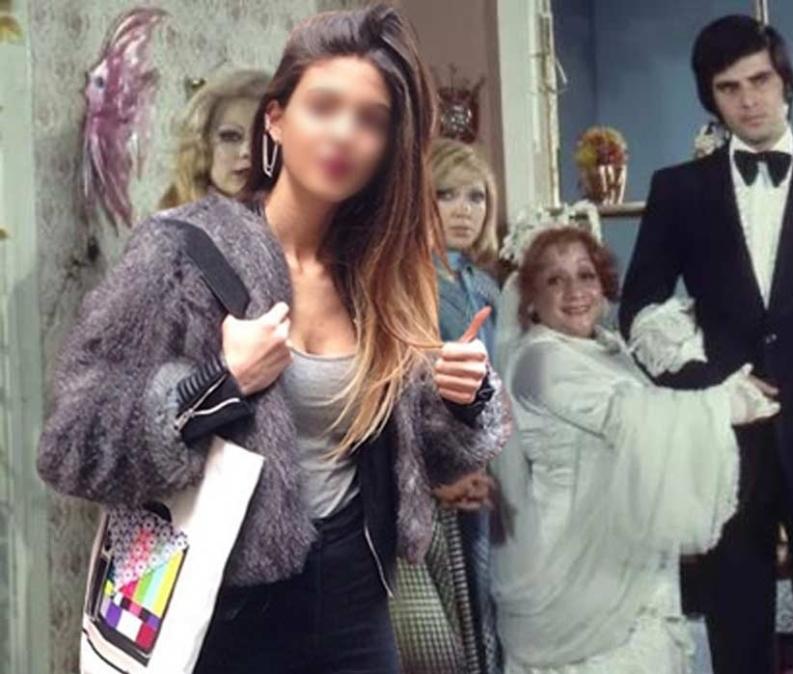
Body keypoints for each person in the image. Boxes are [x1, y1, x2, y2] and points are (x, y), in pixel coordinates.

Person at [37, 6, 505, 673]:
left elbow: (423, 459)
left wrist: (462, 401)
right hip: (219, 606)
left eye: (370, 119)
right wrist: (215, 385)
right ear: (278, 120)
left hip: (356, 600)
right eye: (324, 106)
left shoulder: (381, 274)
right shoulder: (181, 253)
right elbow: (71, 442)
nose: (343, 133)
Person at [618, 15, 793, 674]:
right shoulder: (678, 190)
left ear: (786, 82)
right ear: (711, 98)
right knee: (736, 638)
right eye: (729, 87)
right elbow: (638, 313)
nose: (748, 100)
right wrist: (712, 387)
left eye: (760, 80)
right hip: (721, 448)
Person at [492, 226, 779, 673]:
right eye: (554, 280)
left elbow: (656, 410)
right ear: (530, 299)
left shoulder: (610, 349)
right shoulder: (539, 360)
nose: (575, 291)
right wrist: (726, 402)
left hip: (630, 545)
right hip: (574, 558)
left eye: (586, 275)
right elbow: (625, 415)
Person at [391, 137, 503, 674]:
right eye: (447, 194)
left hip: (482, 472)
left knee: (482, 615)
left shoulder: (486, 287)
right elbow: (397, 393)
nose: (464, 210)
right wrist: (437, 474)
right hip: (421, 477)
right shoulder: (403, 280)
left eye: (476, 196)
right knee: (437, 642)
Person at [159, 68, 270, 208]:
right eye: (230, 137)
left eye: (262, 137)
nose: (247, 151)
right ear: (202, 144)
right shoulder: (172, 220)